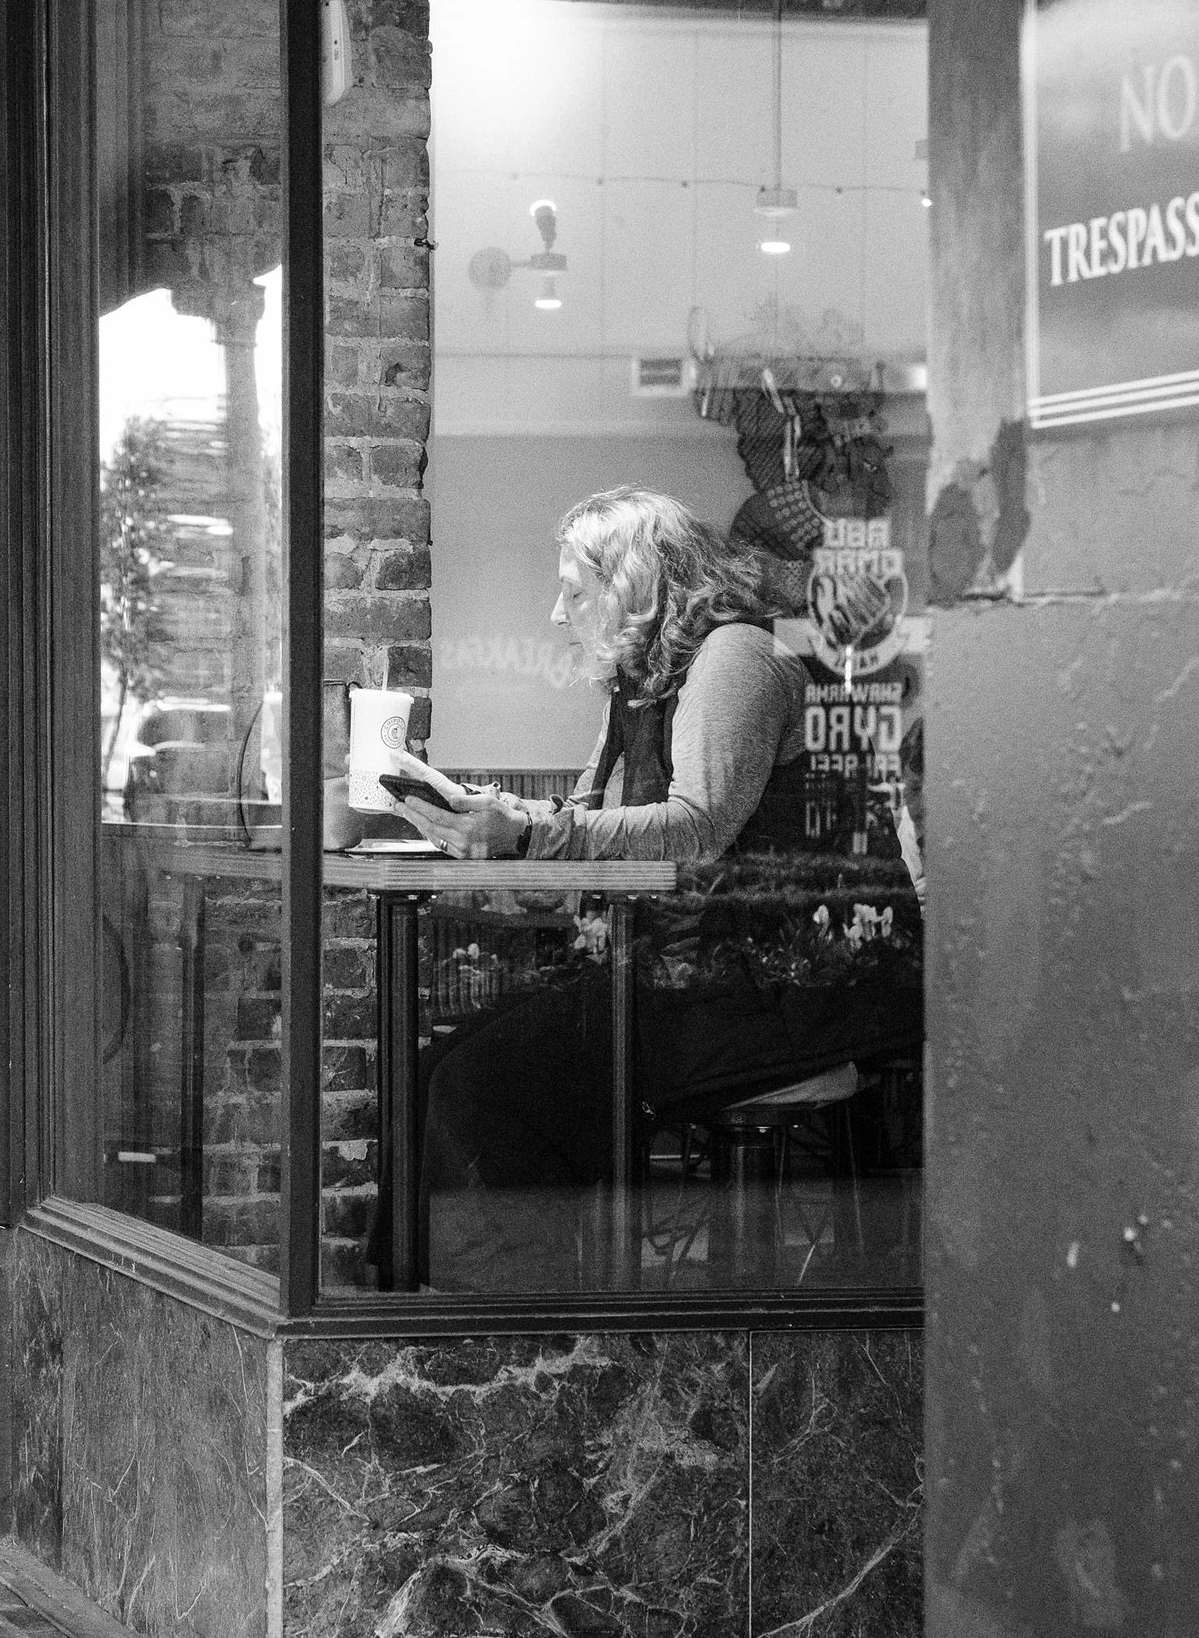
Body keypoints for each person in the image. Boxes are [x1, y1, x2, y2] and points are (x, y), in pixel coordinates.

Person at [343, 485, 921, 1290]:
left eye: (575, 590)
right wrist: (500, 828)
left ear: (638, 587)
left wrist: (533, 833)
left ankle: (528, 1332)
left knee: (489, 1082)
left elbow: (698, 825)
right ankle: (414, 1305)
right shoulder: (644, 680)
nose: (556, 612)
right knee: (437, 1056)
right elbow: (585, 816)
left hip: (783, 988)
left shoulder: (736, 659)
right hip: (702, 971)